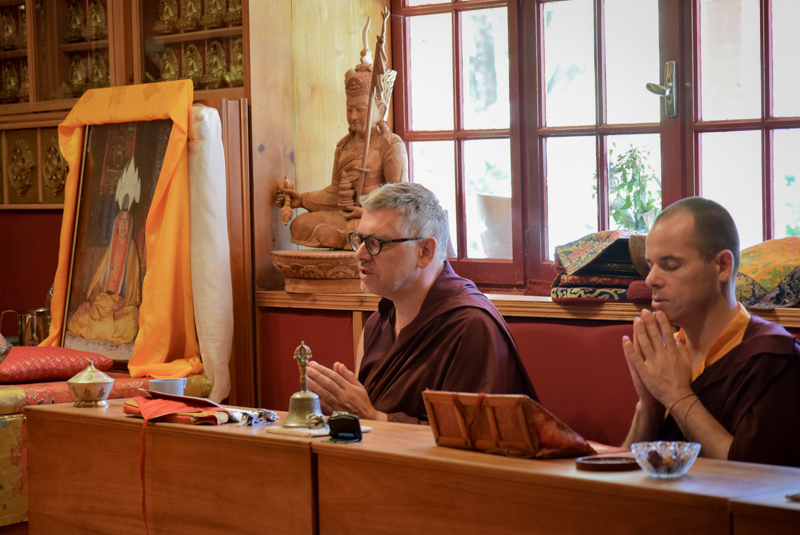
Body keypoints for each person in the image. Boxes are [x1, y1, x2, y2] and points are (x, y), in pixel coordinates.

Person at [306, 182, 538, 424]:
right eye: (359, 239)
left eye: (376, 243)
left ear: (425, 251)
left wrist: (370, 416)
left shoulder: (471, 325)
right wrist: (342, 411)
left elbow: (475, 441)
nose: (359, 254)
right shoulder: (376, 325)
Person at [621, 197, 800, 467]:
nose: (650, 280)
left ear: (722, 266)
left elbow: (757, 478)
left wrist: (678, 397)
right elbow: (621, 472)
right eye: (650, 265)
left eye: (670, 266)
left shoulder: (771, 356)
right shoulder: (669, 354)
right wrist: (649, 407)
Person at [275, 24, 408, 250]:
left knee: (370, 228)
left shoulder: (391, 146)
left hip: (376, 219)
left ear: (381, 108)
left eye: (361, 109)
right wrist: (302, 200)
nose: (353, 116)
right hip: (346, 216)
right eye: (349, 109)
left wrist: (366, 211)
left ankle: (348, 239)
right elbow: (335, 192)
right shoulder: (344, 146)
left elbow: (400, 204)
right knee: (300, 224)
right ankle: (347, 239)